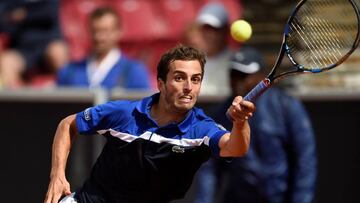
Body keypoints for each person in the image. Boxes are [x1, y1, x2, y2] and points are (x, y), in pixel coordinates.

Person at [44, 45, 255, 203]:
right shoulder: (123, 113)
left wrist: (240, 122)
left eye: (196, 79)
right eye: (180, 78)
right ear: (161, 84)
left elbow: (235, 148)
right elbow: (68, 123)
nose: (189, 87)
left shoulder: (201, 128)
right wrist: (57, 176)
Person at [196, 46, 317, 203]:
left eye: (244, 75)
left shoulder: (287, 107)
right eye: (233, 74)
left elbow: (305, 161)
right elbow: (210, 168)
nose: (237, 81)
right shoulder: (219, 115)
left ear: (261, 77)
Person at [57, 7, 151, 90]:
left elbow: (142, 108)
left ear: (118, 32)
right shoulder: (69, 71)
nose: (99, 37)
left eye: (105, 31)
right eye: (95, 31)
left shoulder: (134, 71)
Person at [0, 0, 68, 86]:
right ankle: (19, 98)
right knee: (7, 61)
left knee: (58, 51)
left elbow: (49, 13)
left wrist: (23, 15)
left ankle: (64, 95)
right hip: (23, 49)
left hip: (48, 45)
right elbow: (3, 19)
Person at [194, 2, 234, 96]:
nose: (208, 35)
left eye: (214, 29)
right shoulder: (192, 62)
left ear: (225, 31)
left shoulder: (236, 62)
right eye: (205, 28)